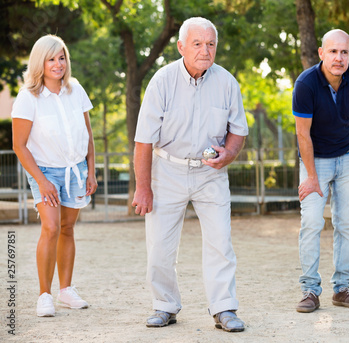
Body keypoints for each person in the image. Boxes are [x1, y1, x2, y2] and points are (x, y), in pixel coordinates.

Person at [132, 17, 248, 332]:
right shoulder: (162, 80)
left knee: (220, 242)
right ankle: (164, 306)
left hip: (211, 173)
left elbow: (237, 132)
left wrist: (229, 154)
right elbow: (143, 141)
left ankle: (224, 309)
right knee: (160, 245)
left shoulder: (226, 82)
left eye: (210, 44)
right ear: (181, 46)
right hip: (166, 170)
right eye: (197, 44)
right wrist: (143, 188)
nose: (205, 50)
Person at [11, 35, 97, 317]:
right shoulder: (28, 97)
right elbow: (19, 146)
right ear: (40, 62)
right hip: (44, 171)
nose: (58, 64)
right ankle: (44, 294)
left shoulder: (76, 90)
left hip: (76, 169)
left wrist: (91, 171)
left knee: (67, 229)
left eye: (62, 58)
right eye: (51, 59)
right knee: (50, 228)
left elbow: (88, 135)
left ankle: (66, 291)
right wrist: (42, 181)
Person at [292, 29, 349, 313]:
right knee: (312, 224)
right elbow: (303, 135)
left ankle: (342, 288)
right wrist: (312, 176)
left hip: (348, 157)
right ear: (322, 53)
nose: (339, 58)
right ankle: (310, 291)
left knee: (346, 224)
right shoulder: (306, 84)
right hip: (315, 161)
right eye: (333, 52)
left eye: (344, 52)